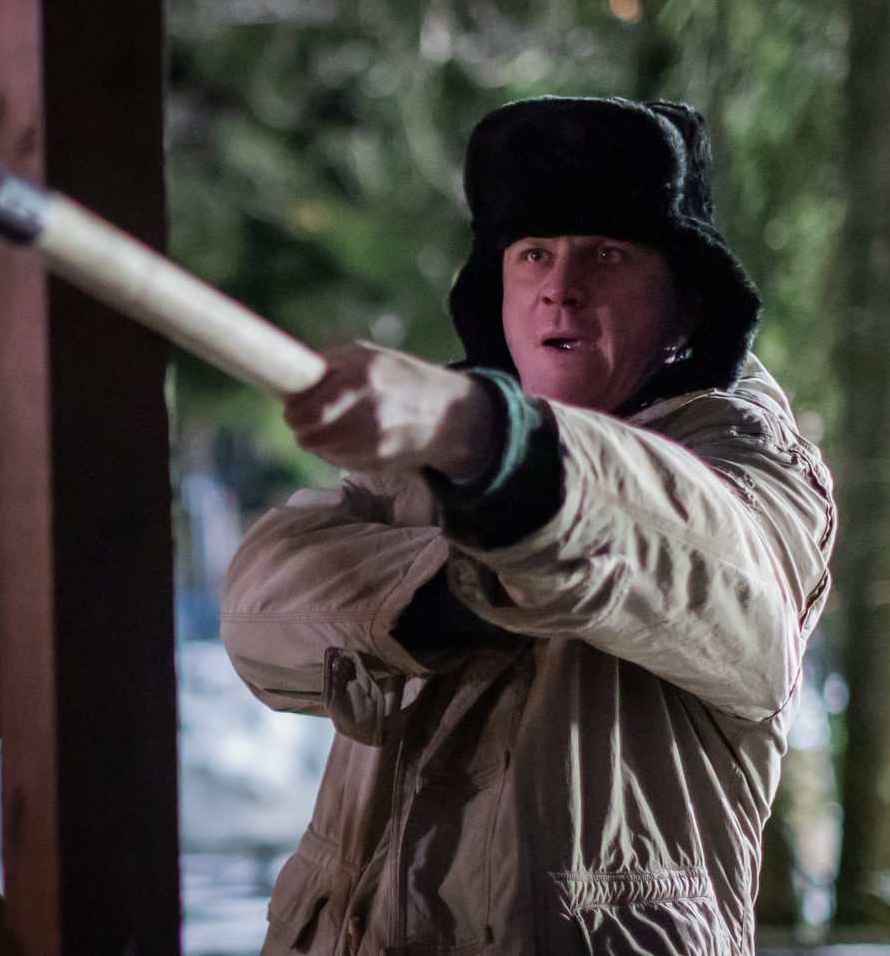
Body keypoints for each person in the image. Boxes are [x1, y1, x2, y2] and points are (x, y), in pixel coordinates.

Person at [221, 96, 835, 956]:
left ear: (688, 302)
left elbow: (706, 567)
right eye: (533, 254)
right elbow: (258, 609)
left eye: (607, 254)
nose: (560, 287)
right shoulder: (418, 461)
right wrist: (449, 592)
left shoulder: (746, 463)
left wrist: (489, 443)